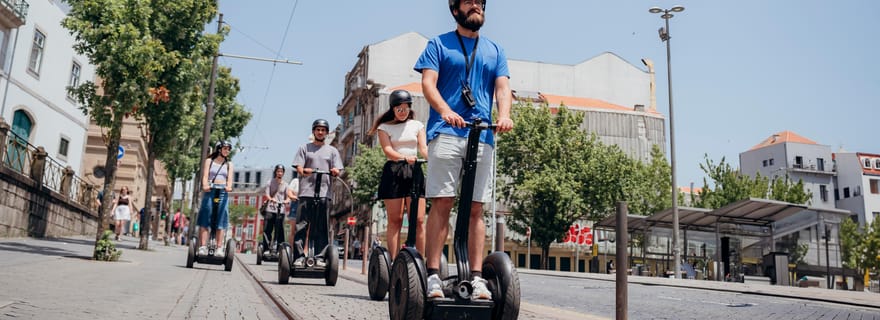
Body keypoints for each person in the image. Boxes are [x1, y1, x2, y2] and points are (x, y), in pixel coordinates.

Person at [414, 0, 513, 300]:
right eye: (469, 1)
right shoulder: (438, 45)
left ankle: (477, 277)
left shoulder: (495, 51)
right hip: (446, 132)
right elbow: (428, 84)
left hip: (482, 136)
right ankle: (432, 275)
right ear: (455, 9)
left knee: (476, 208)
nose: (476, 6)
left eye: (480, 2)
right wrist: (444, 110)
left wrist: (504, 115)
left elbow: (502, 88)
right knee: (442, 202)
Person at [367, 89, 429, 263]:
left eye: (405, 108)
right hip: (394, 171)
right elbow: (388, 151)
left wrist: (431, 158)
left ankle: (420, 260)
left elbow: (423, 148)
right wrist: (404, 158)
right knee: (396, 219)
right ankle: (394, 261)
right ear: (393, 109)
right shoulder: (384, 128)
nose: (402, 112)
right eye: (399, 109)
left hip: (415, 171)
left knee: (418, 219)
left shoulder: (417, 125)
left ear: (410, 107)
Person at [292, 119, 343, 267]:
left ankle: (320, 257)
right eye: (318, 129)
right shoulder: (304, 148)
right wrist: (303, 170)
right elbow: (299, 167)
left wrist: (335, 171)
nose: (320, 132)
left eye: (323, 130)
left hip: (324, 193)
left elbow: (337, 170)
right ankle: (299, 256)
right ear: (314, 131)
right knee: (302, 225)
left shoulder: (332, 151)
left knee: (322, 226)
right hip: (306, 192)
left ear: (326, 133)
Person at [196, 140, 234, 257]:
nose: (227, 151)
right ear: (219, 149)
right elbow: (205, 176)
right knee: (206, 215)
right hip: (210, 191)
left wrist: (228, 186)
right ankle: (202, 246)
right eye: (225, 148)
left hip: (222, 192)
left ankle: (219, 248)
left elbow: (230, 180)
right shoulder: (209, 161)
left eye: (228, 149)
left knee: (222, 218)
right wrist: (205, 185)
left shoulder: (229, 164)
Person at [261, 164, 290, 254]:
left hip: (280, 210)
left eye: (281, 172)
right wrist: (271, 199)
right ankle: (266, 249)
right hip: (270, 209)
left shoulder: (285, 184)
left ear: (283, 173)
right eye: (278, 171)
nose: (280, 173)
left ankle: (279, 249)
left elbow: (288, 196)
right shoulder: (270, 182)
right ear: (275, 172)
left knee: (280, 230)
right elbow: (267, 194)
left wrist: (287, 201)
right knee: (267, 229)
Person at [286, 167, 300, 247]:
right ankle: (291, 249)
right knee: (293, 230)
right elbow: (289, 191)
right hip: (296, 204)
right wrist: (292, 196)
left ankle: (304, 252)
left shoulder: (310, 181)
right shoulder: (295, 181)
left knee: (307, 231)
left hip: (306, 205)